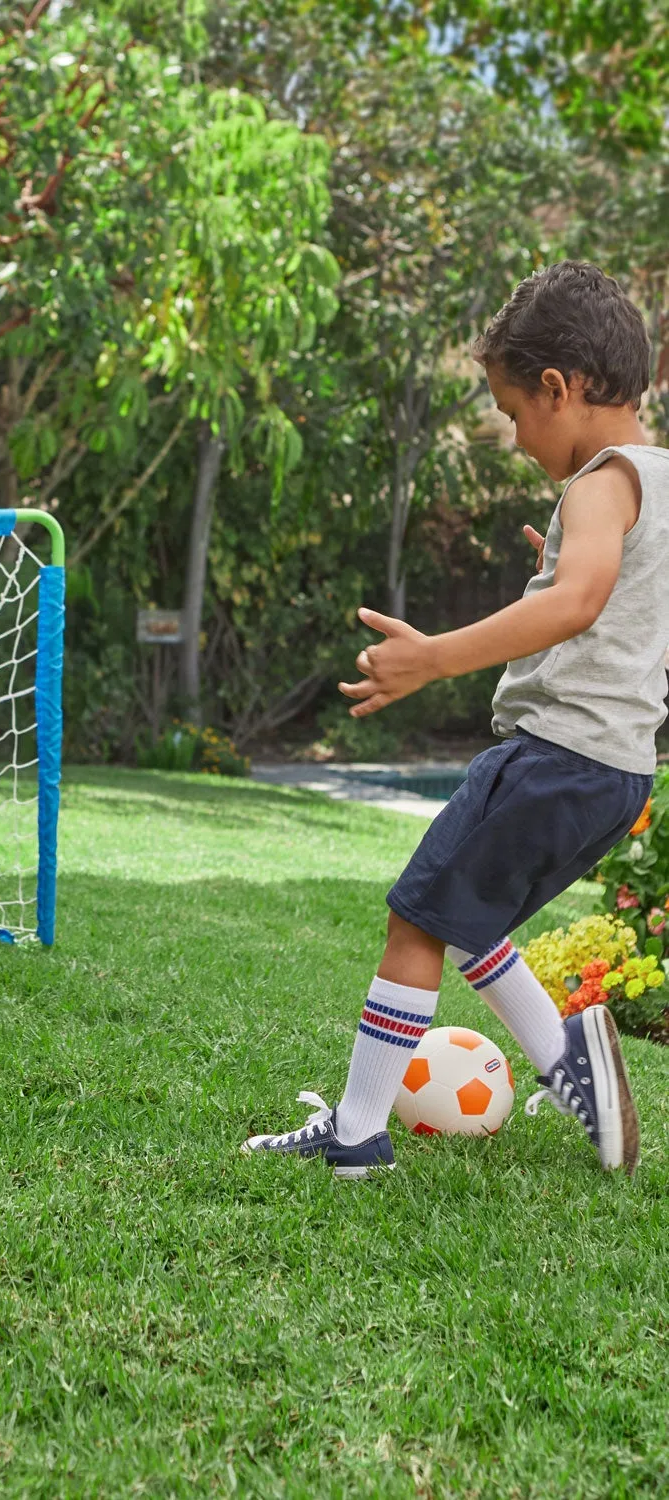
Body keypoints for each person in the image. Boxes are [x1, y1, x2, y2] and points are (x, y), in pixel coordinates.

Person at [244, 261, 667, 1178]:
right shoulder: (659, 482)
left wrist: (434, 656)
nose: (515, 437)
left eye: (515, 412)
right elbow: (617, 596)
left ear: (562, 387)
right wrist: (560, 568)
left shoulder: (601, 481)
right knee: (471, 924)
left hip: (556, 755)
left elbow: (584, 602)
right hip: (617, 773)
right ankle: (578, 1078)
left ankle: (356, 1134)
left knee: (415, 921)